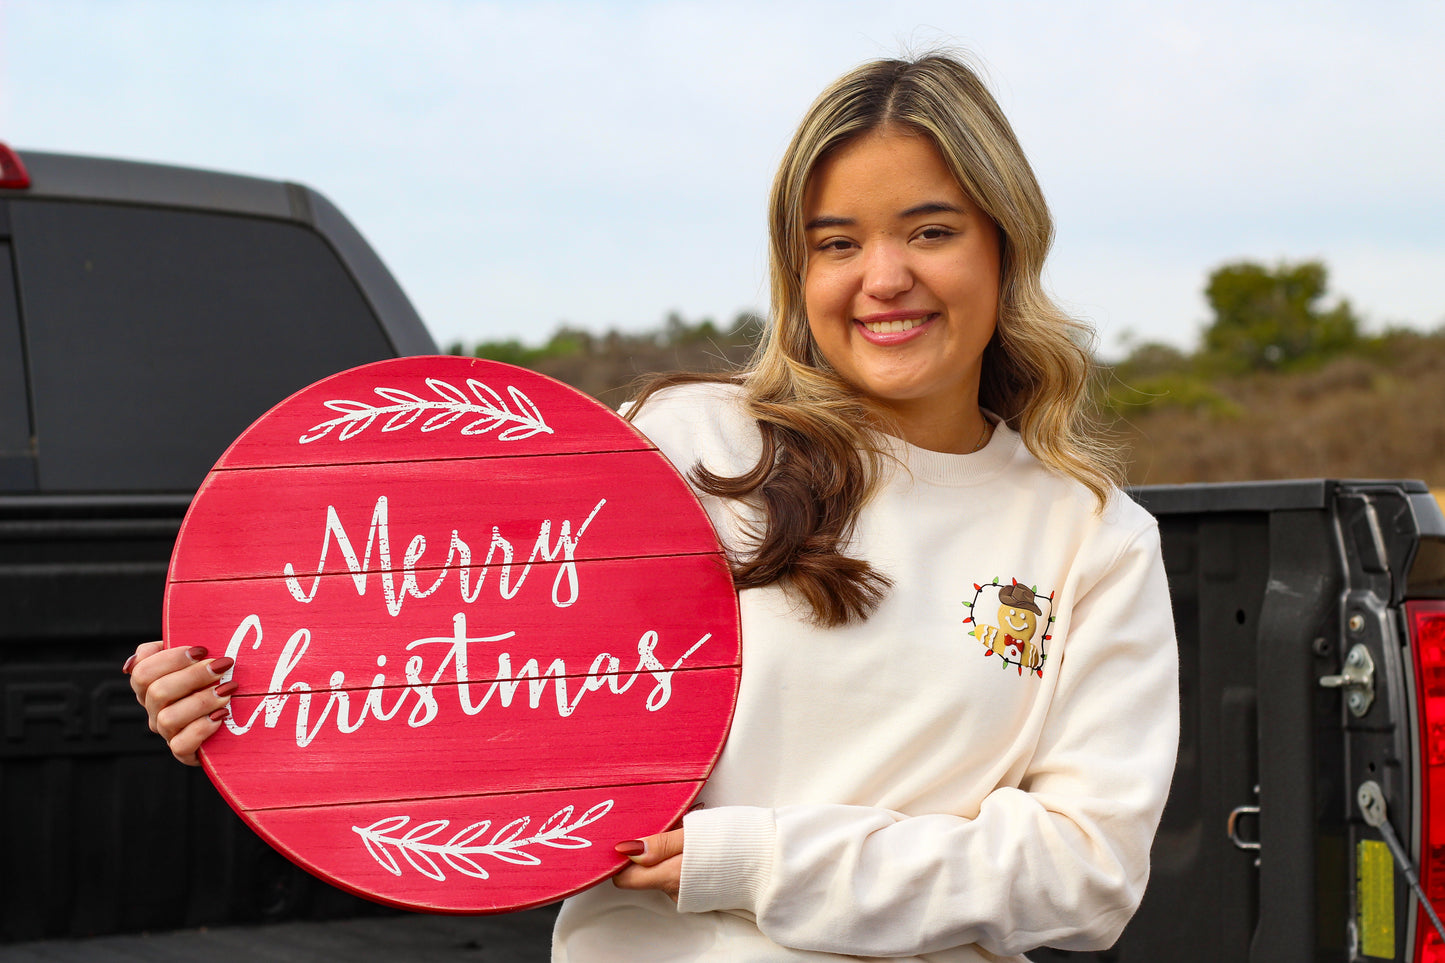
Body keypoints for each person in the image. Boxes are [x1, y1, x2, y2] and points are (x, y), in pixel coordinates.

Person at [128, 52, 1178, 963]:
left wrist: (754, 858)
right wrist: (243, 700)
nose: (883, 278)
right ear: (795, 269)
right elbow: (440, 657)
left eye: (929, 230)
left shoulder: (1089, 536)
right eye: (836, 242)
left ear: (1003, 243)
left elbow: (1084, 874)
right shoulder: (686, 444)